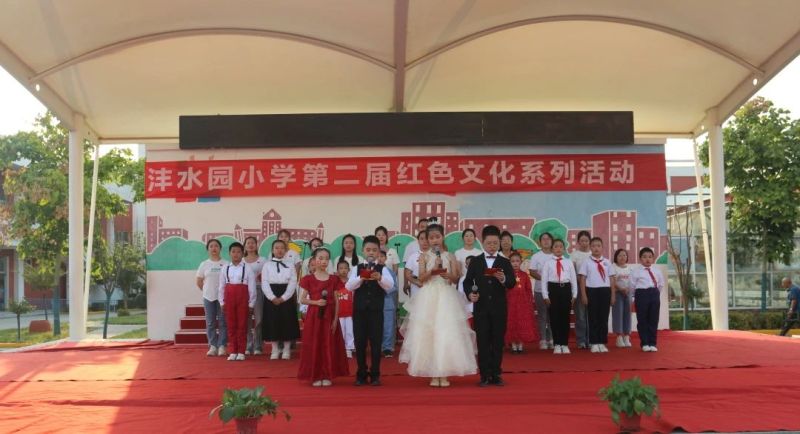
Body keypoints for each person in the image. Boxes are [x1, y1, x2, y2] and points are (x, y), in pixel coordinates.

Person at [399, 224, 477, 387]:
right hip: (428, 297)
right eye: (431, 237)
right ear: (427, 240)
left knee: (446, 333)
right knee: (429, 334)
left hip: (446, 297)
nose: (435, 240)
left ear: (442, 237)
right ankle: (433, 373)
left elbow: (455, 278)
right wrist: (433, 269)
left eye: (437, 237)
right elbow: (421, 278)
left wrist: (447, 274)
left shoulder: (450, 256)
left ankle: (444, 372)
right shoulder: (424, 257)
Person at [464, 225, 516, 387]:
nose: (492, 246)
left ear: (499, 243)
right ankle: (484, 375)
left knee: (498, 341)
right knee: (483, 341)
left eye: (495, 243)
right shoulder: (476, 261)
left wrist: (503, 279)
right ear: (483, 242)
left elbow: (512, 283)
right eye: (489, 243)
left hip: (499, 308)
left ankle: (496, 374)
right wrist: (470, 294)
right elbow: (467, 282)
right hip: (481, 308)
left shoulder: (504, 262)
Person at [346, 235, 395, 386]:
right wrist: (361, 278)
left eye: (374, 250)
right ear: (363, 251)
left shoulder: (383, 269)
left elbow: (390, 286)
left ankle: (375, 374)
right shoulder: (357, 268)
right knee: (360, 343)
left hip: (376, 312)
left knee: (376, 343)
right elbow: (349, 286)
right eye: (368, 250)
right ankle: (361, 373)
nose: (371, 253)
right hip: (359, 311)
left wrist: (379, 278)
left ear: (379, 252)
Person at [297, 248, 349, 386]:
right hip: (314, 317)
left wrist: (335, 320)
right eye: (320, 258)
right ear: (314, 260)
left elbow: (337, 301)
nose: (323, 261)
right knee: (315, 344)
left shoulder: (334, 279)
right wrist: (316, 302)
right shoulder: (308, 279)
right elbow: (302, 299)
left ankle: (327, 374)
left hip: (329, 317)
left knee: (328, 344)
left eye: (326, 258)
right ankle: (315, 375)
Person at [261, 239, 301, 360]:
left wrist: (284, 297)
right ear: (272, 250)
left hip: (286, 295)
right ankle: (275, 349)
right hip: (271, 295)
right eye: (276, 248)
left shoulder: (290, 265)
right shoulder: (267, 265)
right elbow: (264, 282)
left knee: (287, 321)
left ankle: (286, 349)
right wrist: (272, 297)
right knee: (273, 321)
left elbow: (293, 281)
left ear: (286, 250)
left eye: (282, 248)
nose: (279, 250)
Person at [218, 242, 257, 361]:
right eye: (233, 251)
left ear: (242, 253)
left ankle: (241, 351)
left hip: (242, 298)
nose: (236, 254)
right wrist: (221, 302)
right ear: (229, 253)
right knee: (231, 325)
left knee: (242, 325)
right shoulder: (225, 268)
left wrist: (251, 303)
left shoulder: (247, 268)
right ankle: (233, 351)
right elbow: (221, 287)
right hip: (229, 298)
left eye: (238, 252)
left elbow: (252, 287)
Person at [578, 237, 616, 353]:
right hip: (591, 291)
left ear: (602, 247)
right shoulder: (586, 262)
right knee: (593, 317)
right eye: (593, 246)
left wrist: (613, 295)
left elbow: (612, 279)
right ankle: (594, 342)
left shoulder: (607, 262)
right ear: (590, 247)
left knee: (603, 318)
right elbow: (582, 279)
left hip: (605, 291)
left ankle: (602, 342)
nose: (596, 248)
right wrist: (584, 295)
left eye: (598, 246)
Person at [541, 239, 578, 355]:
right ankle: (557, 344)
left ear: (564, 249)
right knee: (554, 318)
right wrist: (545, 295)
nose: (558, 249)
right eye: (556, 246)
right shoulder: (548, 263)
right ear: (552, 249)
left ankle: (564, 344)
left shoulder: (568, 262)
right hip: (553, 290)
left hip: (565, 289)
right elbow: (544, 280)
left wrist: (574, 294)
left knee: (565, 318)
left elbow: (573, 279)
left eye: (561, 246)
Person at [196, 238, 228, 357]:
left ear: (220, 248)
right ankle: (213, 346)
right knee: (210, 323)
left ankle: (222, 346)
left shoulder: (226, 263)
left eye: (216, 246)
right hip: (208, 297)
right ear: (208, 249)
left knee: (223, 322)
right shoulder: (204, 264)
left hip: (222, 299)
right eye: (211, 246)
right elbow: (199, 281)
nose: (214, 248)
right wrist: (207, 290)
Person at [631, 247, 665, 352]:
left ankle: (652, 343)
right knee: (642, 319)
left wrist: (655, 293)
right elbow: (632, 285)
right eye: (644, 257)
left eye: (650, 257)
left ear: (653, 258)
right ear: (640, 258)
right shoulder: (636, 271)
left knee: (653, 319)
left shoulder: (657, 271)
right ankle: (645, 343)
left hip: (654, 294)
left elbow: (661, 284)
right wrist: (635, 297)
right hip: (641, 294)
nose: (647, 259)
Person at [505, 251, 538, 354]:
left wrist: (529, 301)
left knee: (522, 323)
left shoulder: (524, 275)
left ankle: (520, 345)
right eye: (513, 261)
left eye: (517, 261)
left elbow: (528, 289)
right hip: (511, 303)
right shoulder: (507, 275)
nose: (515, 263)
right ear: (509, 263)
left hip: (523, 304)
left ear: (521, 262)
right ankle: (513, 345)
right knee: (512, 323)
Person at [529, 232, 554, 350]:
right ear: (540, 242)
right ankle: (543, 340)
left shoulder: (556, 255)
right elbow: (532, 271)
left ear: (552, 241)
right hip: (539, 290)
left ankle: (552, 339)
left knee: (552, 315)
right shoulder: (536, 256)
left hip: (554, 291)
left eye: (548, 239)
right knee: (542, 315)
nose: (546, 241)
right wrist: (544, 279)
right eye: (543, 239)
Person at [243, 236, 266, 355]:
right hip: (244, 291)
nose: (251, 245)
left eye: (253, 243)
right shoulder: (241, 261)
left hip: (258, 289)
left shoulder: (263, 260)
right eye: (248, 243)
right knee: (246, 319)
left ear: (256, 245)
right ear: (245, 246)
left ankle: (258, 345)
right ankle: (248, 345)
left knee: (259, 319)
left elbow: (266, 276)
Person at [570, 230, 592, 349]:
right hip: (578, 286)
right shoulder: (574, 255)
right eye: (582, 241)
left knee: (591, 314)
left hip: (592, 287)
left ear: (590, 241)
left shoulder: (593, 254)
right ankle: (581, 340)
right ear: (578, 242)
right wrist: (579, 279)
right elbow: (572, 271)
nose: (584, 243)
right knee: (581, 315)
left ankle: (591, 339)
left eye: (586, 241)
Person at [611, 249, 634, 347]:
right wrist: (621, 289)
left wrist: (628, 289)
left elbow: (632, 282)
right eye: (620, 255)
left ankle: (627, 336)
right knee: (618, 314)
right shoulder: (613, 267)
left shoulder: (630, 269)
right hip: (617, 293)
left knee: (627, 315)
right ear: (616, 257)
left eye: (624, 255)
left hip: (628, 293)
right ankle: (619, 337)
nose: (622, 257)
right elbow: (612, 281)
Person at [379, 249, 399, 358]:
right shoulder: (370, 271)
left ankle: (387, 348)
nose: (380, 259)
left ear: (386, 258)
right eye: (378, 256)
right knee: (376, 326)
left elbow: (394, 287)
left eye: (382, 256)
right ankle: (377, 346)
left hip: (387, 301)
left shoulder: (390, 272)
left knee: (388, 326)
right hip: (375, 303)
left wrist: (383, 287)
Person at [335, 260, 355, 357]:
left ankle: (349, 348)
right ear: (337, 271)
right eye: (341, 268)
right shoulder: (335, 283)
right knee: (341, 331)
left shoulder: (351, 282)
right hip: (339, 312)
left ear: (349, 270)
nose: (343, 270)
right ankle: (340, 348)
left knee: (350, 331)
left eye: (345, 268)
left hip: (349, 311)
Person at [403, 230, 430, 298]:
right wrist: (416, 282)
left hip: (431, 288)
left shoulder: (435, 255)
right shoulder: (413, 256)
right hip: (416, 288)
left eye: (427, 238)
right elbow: (407, 274)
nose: (425, 241)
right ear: (418, 241)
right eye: (422, 239)